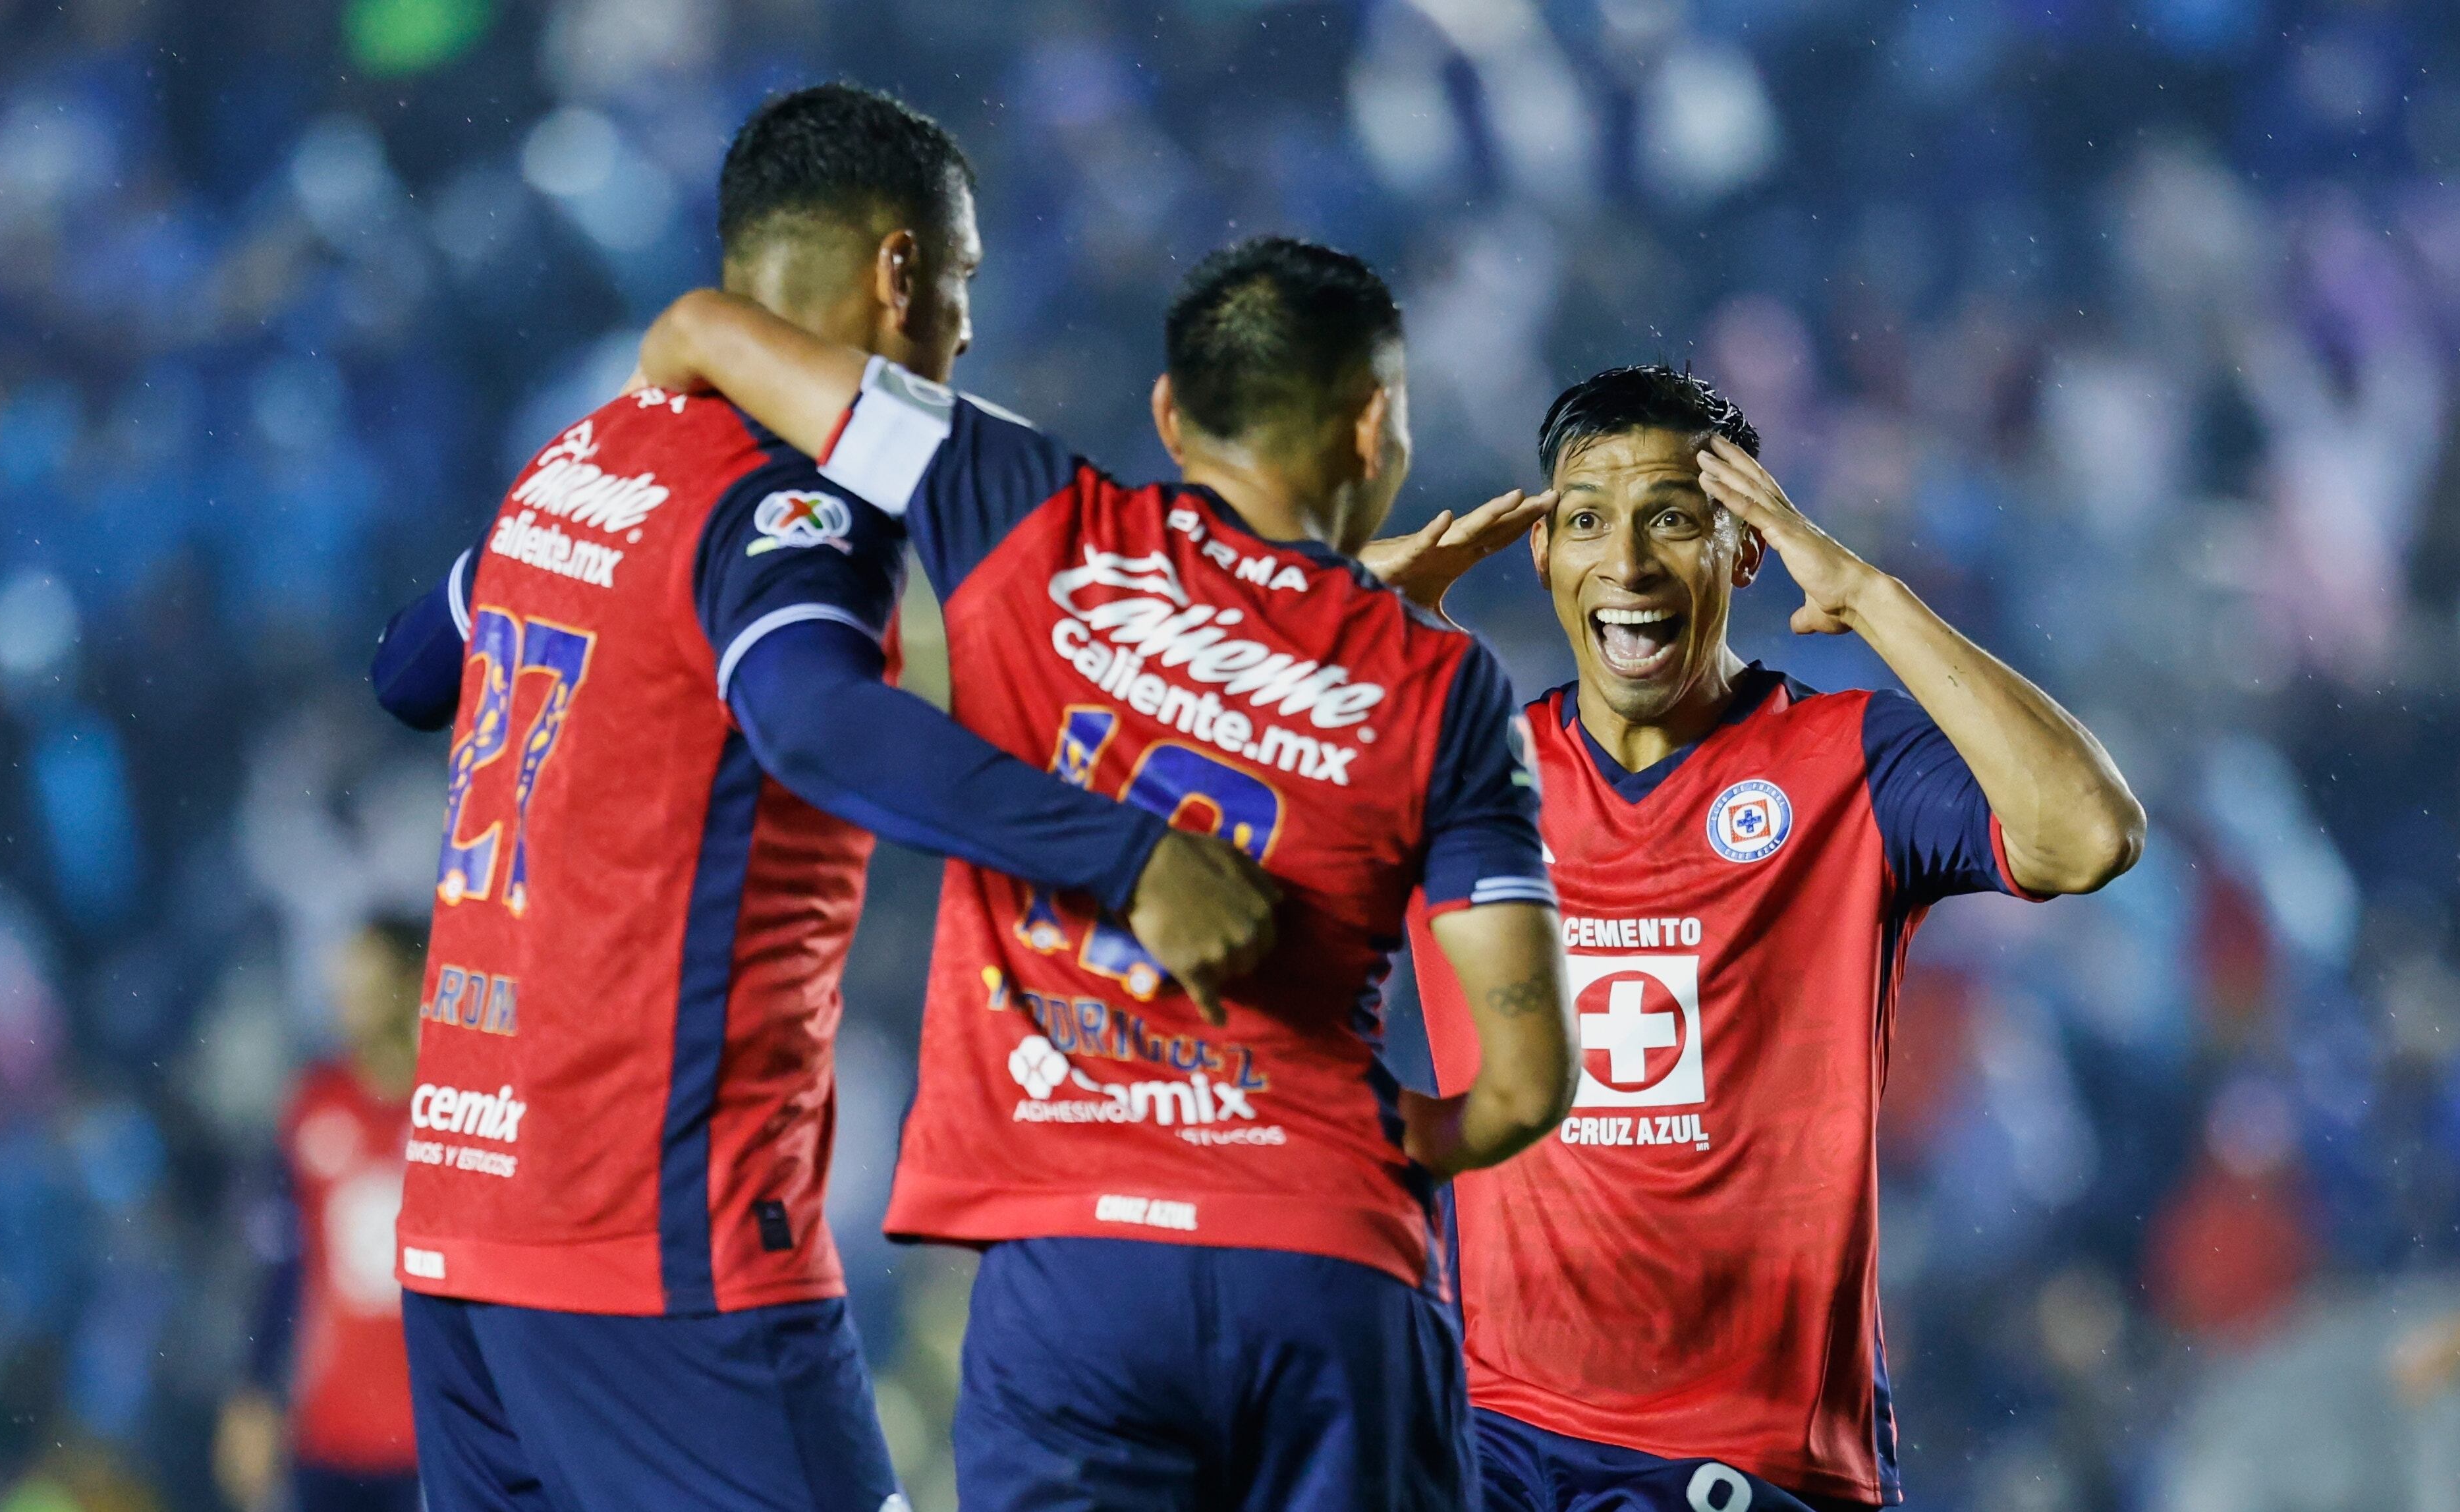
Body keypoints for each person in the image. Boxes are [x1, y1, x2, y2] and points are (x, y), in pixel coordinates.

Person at [364, 85, 1278, 1512]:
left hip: (465, 1230)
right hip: (655, 1239)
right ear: (897, 269)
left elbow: (408, 671)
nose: (966, 327)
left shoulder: (574, 462)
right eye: (961, 280)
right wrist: (1126, 857)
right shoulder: (797, 495)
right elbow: (810, 721)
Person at [634, 234, 1580, 1512]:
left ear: (1169, 414)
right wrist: (1402, 1132)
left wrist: (633, 455)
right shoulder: (1441, 683)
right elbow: (1526, 1084)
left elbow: (706, 329)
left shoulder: (1016, 498)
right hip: (1323, 1268)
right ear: (1372, 430)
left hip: (1074, 1275)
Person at [1401, 365, 2147, 1511]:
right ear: (1543, 553)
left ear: (1745, 550)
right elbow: (1155, 813)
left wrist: (1868, 595)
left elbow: (2086, 835)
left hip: (1749, 1457)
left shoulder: (1848, 761)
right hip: (1494, 1437)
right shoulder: (1461, 771)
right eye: (1587, 520)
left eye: (1672, 520)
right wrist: (1330, 604)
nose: (1630, 563)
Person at [214, 916, 426, 1512]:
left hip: (428, 1430)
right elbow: (285, 1262)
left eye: (365, 981)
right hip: (331, 1429)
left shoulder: (455, 1108)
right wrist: (255, 1389)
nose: (346, 1000)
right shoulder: (316, 1102)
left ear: (411, 981)